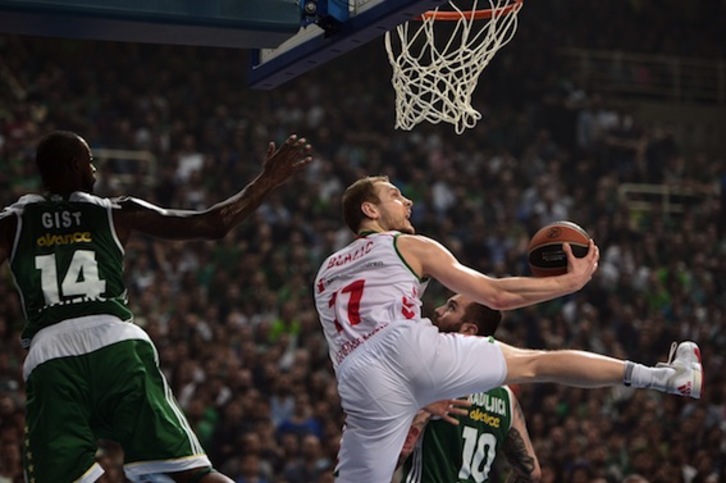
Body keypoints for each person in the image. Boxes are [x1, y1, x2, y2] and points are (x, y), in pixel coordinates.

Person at [312, 175, 703, 483]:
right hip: (404, 345)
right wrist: (568, 283)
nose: (408, 201)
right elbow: (495, 295)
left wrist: (417, 393)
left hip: (358, 378)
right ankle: (668, 378)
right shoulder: (407, 246)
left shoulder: (325, 271)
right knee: (537, 364)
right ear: (370, 209)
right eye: (395, 195)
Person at [0, 130, 312, 483]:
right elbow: (212, 223)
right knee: (193, 473)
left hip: (52, 354)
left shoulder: (13, 222)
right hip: (117, 345)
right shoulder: (116, 211)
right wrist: (267, 180)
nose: (95, 169)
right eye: (89, 161)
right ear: (75, 166)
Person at [398, 294, 540, 483]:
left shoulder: (438, 378)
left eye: (451, 308)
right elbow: (532, 473)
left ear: (468, 330)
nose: (438, 310)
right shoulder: (506, 396)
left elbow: (402, 451)